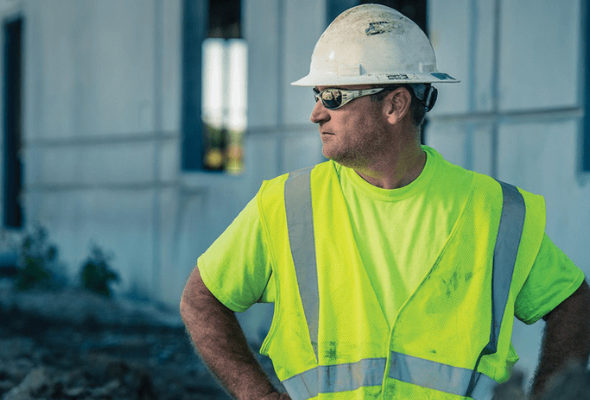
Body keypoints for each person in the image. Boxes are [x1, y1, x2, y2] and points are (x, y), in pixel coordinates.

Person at [180, 4, 590, 400]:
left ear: (395, 105)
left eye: (335, 96)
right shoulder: (285, 205)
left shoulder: (495, 212)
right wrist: (258, 396)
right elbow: (202, 299)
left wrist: (548, 393)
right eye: (318, 94)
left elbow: (574, 303)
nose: (317, 114)